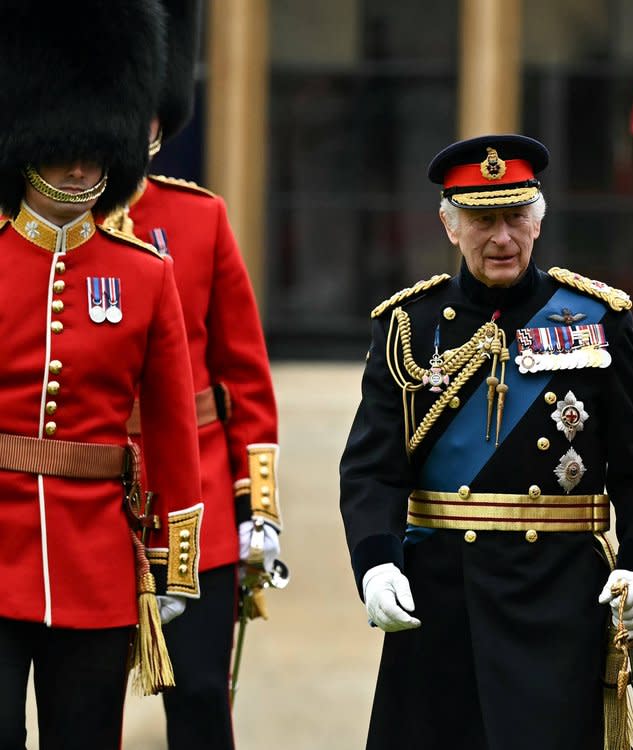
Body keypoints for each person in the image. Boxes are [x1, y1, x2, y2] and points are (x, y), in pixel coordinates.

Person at [339, 133, 633, 749]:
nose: (502, 237)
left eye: (516, 217)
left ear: (538, 220)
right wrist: (378, 560)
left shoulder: (596, 319)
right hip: (442, 599)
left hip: (558, 600)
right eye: (482, 219)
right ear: (449, 226)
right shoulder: (407, 326)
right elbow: (372, 469)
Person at [0, 2, 204, 748]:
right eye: (64, 148)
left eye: (97, 147)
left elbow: (173, 429)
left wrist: (173, 563)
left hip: (97, 563)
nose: (83, 164)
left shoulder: (145, 276)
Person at [103, 1, 283, 747]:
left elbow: (243, 376)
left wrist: (258, 507)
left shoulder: (200, 220)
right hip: (88, 503)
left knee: (203, 697)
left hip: (197, 507)